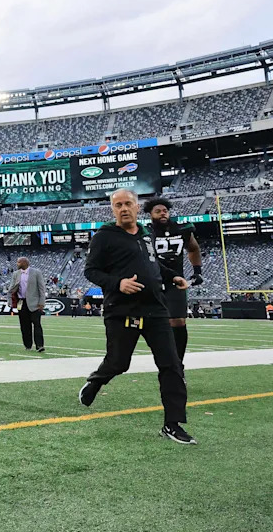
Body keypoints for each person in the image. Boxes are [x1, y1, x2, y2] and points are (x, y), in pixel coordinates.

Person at [79, 189, 195, 445]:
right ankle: (96, 381)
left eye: (127, 203)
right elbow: (91, 271)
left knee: (172, 365)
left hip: (155, 308)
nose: (123, 208)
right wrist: (117, 283)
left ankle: (173, 423)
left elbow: (153, 264)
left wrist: (171, 276)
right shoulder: (104, 236)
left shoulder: (145, 234)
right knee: (119, 363)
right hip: (121, 310)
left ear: (136, 205)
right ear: (113, 209)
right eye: (118, 205)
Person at [144, 197, 202, 364]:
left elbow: (193, 248)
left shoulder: (181, 228)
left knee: (178, 321)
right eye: (158, 211)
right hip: (152, 281)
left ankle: (178, 364)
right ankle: (165, 360)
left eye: (165, 211)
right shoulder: (145, 231)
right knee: (151, 324)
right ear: (150, 214)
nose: (163, 213)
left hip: (176, 281)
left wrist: (197, 271)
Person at [9, 257, 47, 352]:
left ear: (24, 263)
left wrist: (42, 302)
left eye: (18, 262)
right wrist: (10, 301)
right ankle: (28, 345)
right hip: (21, 302)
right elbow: (11, 288)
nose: (17, 264)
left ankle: (39, 345)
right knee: (24, 325)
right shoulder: (16, 274)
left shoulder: (36, 272)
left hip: (34, 303)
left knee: (37, 324)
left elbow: (41, 288)